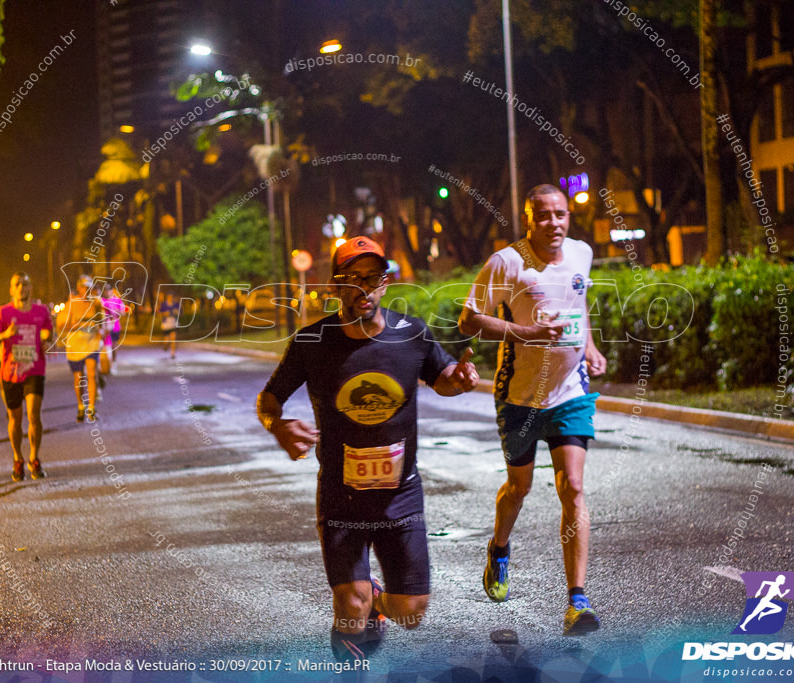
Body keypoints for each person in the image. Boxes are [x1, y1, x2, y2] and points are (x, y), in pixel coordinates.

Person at [257, 236, 480, 662]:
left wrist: (462, 379)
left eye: (373, 277)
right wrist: (277, 425)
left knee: (411, 612)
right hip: (341, 496)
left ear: (386, 282)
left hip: (401, 495)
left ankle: (379, 600)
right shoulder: (311, 342)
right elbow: (269, 399)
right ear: (335, 286)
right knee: (350, 605)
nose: (364, 287)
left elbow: (444, 378)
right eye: (352, 279)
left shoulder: (411, 334)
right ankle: (352, 654)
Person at [458, 184, 608, 636]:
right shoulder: (508, 262)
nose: (554, 223)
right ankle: (499, 548)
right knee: (518, 487)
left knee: (574, 487)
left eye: (560, 214)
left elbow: (577, 308)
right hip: (519, 396)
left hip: (569, 393)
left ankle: (577, 601)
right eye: (543, 216)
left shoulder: (581, 254)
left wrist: (590, 347)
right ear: (528, 218)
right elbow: (469, 320)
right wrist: (524, 333)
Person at [0, 272, 53, 481]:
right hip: (10, 372)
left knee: (33, 414)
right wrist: (5, 335)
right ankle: (18, 458)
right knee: (15, 419)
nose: (22, 287)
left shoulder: (41, 311)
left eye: (25, 283)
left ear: (30, 287)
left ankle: (34, 457)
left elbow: (51, 335)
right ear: (11, 289)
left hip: (34, 368)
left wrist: (48, 342)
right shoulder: (3, 313)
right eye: (17, 284)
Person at [58, 275, 103, 422]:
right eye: (85, 287)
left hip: (91, 344)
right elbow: (60, 324)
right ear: (79, 287)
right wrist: (73, 325)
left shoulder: (96, 303)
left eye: (90, 287)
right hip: (75, 346)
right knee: (78, 378)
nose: (87, 290)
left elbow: (101, 321)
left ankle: (91, 408)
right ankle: (80, 406)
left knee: (91, 373)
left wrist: (101, 331)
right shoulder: (71, 303)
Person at [101, 284, 126, 362]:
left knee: (113, 346)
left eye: (109, 290)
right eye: (106, 290)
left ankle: (113, 362)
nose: (107, 292)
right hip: (104, 327)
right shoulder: (102, 300)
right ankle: (105, 364)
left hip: (115, 327)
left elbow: (123, 313)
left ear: (112, 290)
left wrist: (116, 310)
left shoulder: (117, 300)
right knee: (104, 346)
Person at [157, 291, 180, 359]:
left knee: (173, 338)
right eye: (169, 297)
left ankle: (173, 354)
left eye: (172, 297)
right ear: (167, 297)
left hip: (173, 322)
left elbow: (180, 313)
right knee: (166, 340)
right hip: (166, 324)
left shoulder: (176, 304)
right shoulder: (164, 305)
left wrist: (177, 312)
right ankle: (165, 345)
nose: (171, 298)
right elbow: (159, 313)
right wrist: (164, 313)